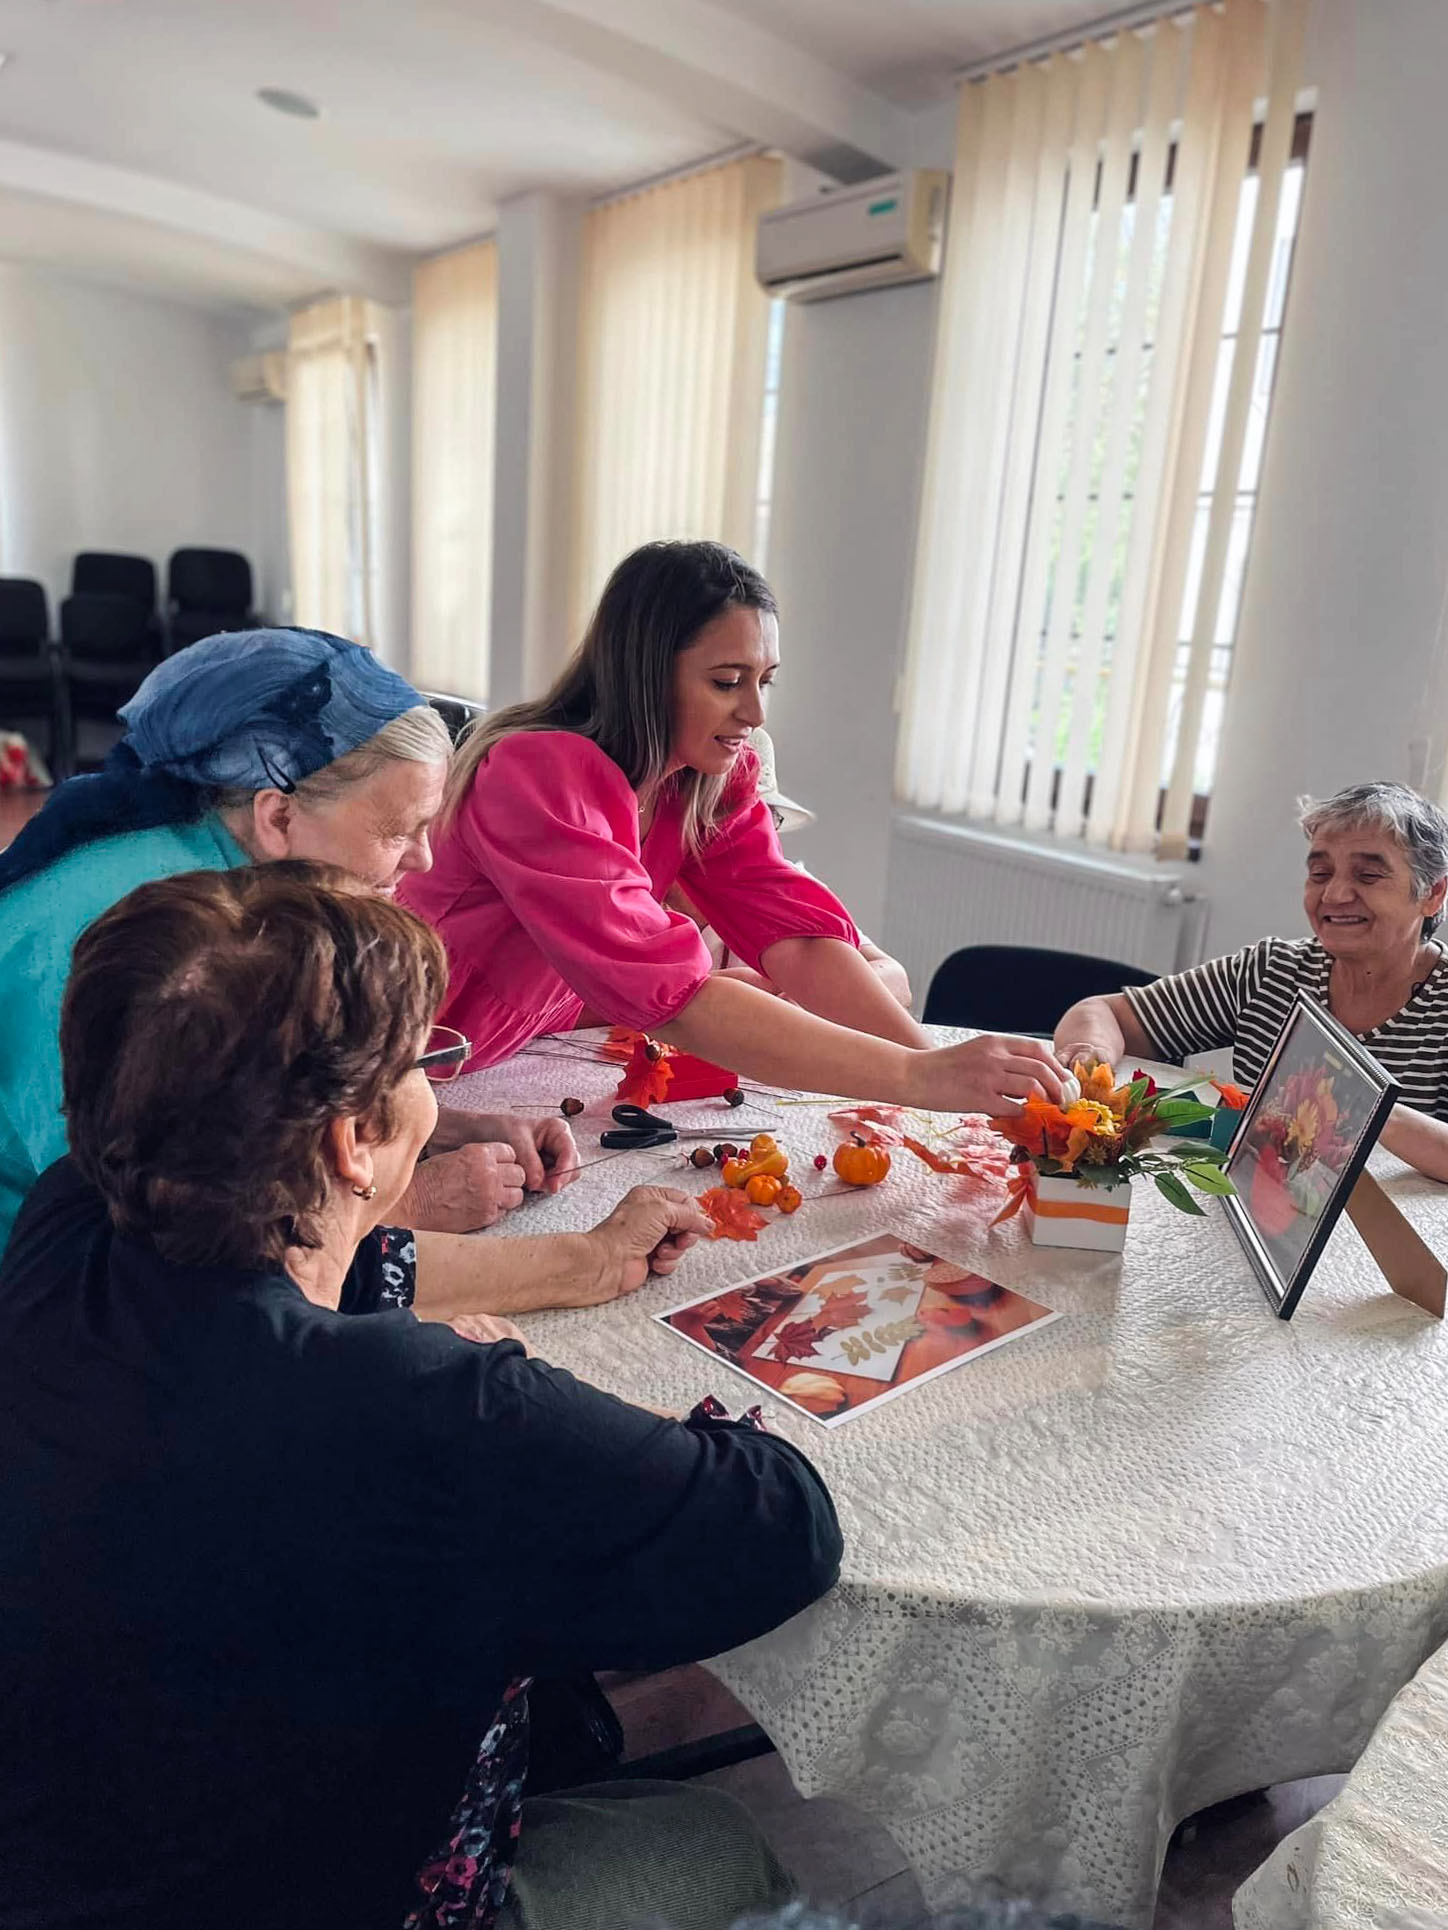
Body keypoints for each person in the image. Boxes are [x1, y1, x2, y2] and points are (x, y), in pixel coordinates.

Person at [0, 863, 840, 1930]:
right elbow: (780, 1525)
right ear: (354, 1141)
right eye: (422, 1058)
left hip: (56, 1846)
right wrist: (513, 1380)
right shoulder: (423, 1409)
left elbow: (323, 1262)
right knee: (713, 1839)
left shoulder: (68, 1228)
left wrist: (580, 1264)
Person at [400, 542, 1066, 1113]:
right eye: (726, 681)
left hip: (515, 1039)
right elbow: (676, 998)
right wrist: (917, 1078)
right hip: (403, 1048)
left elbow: (797, 942)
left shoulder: (709, 779)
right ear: (644, 675)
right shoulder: (538, 772)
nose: (754, 712)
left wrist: (934, 1073)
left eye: (765, 682)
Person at [0, 625, 577, 1257]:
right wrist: (406, 1202)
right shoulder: (149, 933)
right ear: (277, 816)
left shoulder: (231, 876)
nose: (425, 861)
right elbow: (139, 1231)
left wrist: (434, 1132)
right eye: (397, 832)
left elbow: (244, 1111)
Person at [1053, 781, 1448, 1180]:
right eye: (1320, 872)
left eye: (1368, 875)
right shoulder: (1271, 971)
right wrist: (1090, 1055)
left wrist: (1366, 1111)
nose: (1335, 893)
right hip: (1255, 1210)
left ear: (1432, 893)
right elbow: (1105, 1013)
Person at [670, 726, 913, 1010]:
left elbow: (896, 979)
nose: (757, 831)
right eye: (740, 819)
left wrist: (807, 992)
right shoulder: (634, 891)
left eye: (767, 819)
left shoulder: (785, 889)